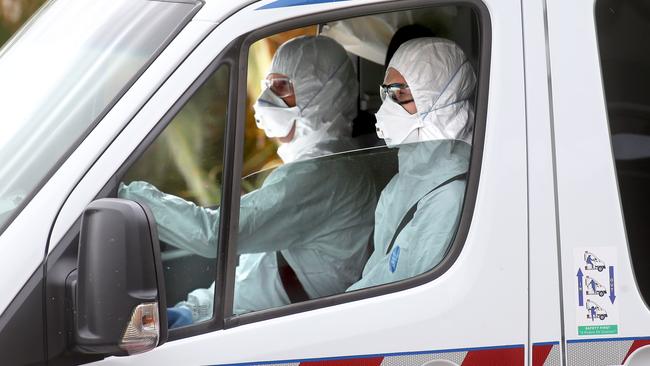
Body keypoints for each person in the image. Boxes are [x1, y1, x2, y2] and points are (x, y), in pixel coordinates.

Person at [120, 36, 376, 325]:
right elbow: (258, 273)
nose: (266, 99)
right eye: (268, 85)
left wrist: (129, 198)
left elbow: (214, 236)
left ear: (322, 94)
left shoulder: (322, 174)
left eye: (282, 87)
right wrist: (197, 309)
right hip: (249, 314)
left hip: (270, 328)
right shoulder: (317, 165)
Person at [348, 37, 476, 291]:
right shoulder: (404, 182)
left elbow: (391, 288)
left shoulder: (450, 194)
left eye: (399, 94)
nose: (386, 108)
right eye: (386, 93)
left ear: (439, 99)